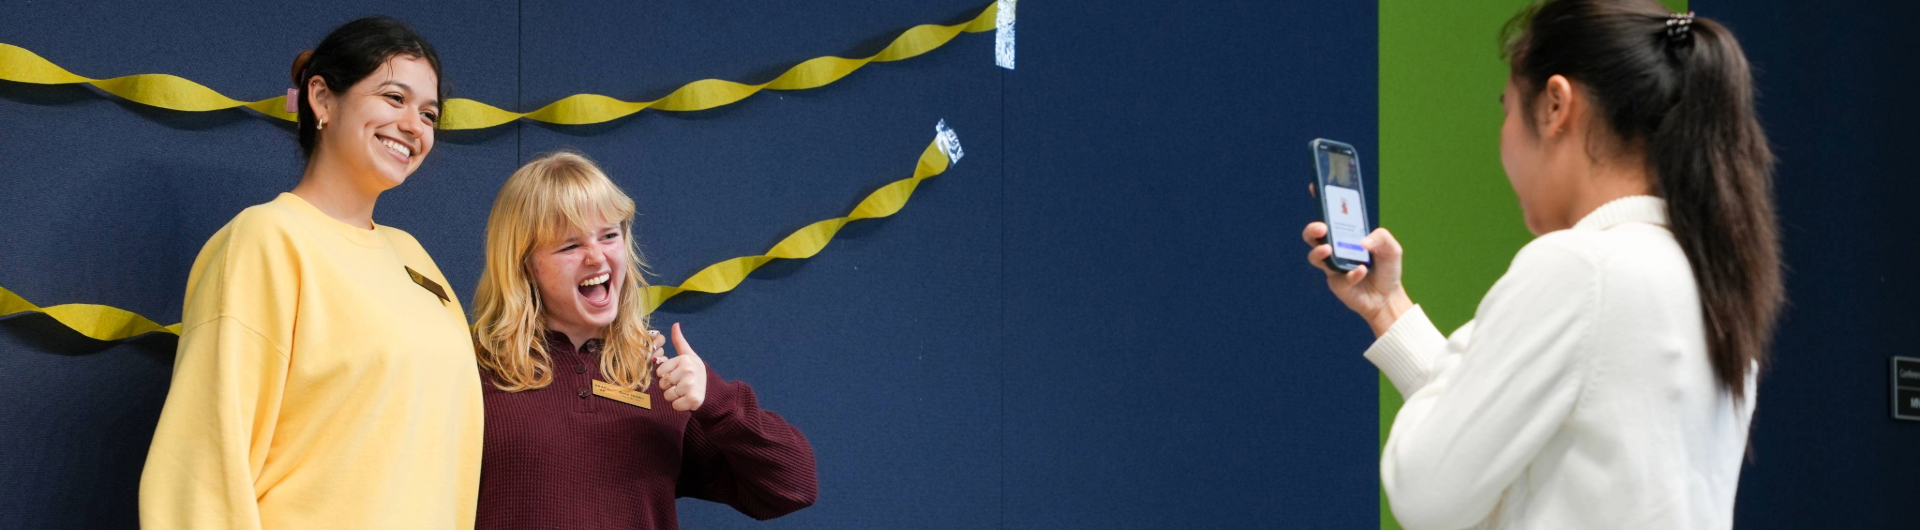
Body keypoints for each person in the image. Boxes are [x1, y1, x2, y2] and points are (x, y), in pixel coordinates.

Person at [1300, 1, 1781, 528]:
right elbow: (1502, 442)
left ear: (1555, 105)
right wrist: (1389, 309)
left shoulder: (1579, 268)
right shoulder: (1701, 273)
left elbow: (1422, 489)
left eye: (1507, 108)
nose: (1504, 138)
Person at [138, 17, 482, 529]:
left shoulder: (414, 257)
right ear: (321, 99)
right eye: (394, 98)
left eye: (429, 113)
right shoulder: (267, 239)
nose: (415, 125)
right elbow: (203, 466)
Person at [470, 151, 818, 530]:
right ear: (523, 265)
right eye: (570, 246)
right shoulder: (471, 371)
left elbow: (793, 486)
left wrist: (716, 401)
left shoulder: (661, 382)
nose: (596, 257)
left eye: (608, 235)